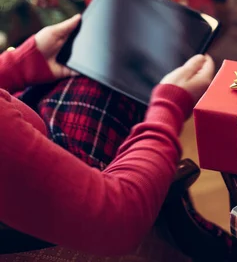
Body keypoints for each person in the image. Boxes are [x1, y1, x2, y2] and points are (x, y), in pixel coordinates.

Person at [0, 14, 216, 255]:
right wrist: (169, 108)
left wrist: (17, 64)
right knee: (115, 86)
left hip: (33, 140)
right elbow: (119, 222)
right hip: (43, 234)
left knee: (94, 72)